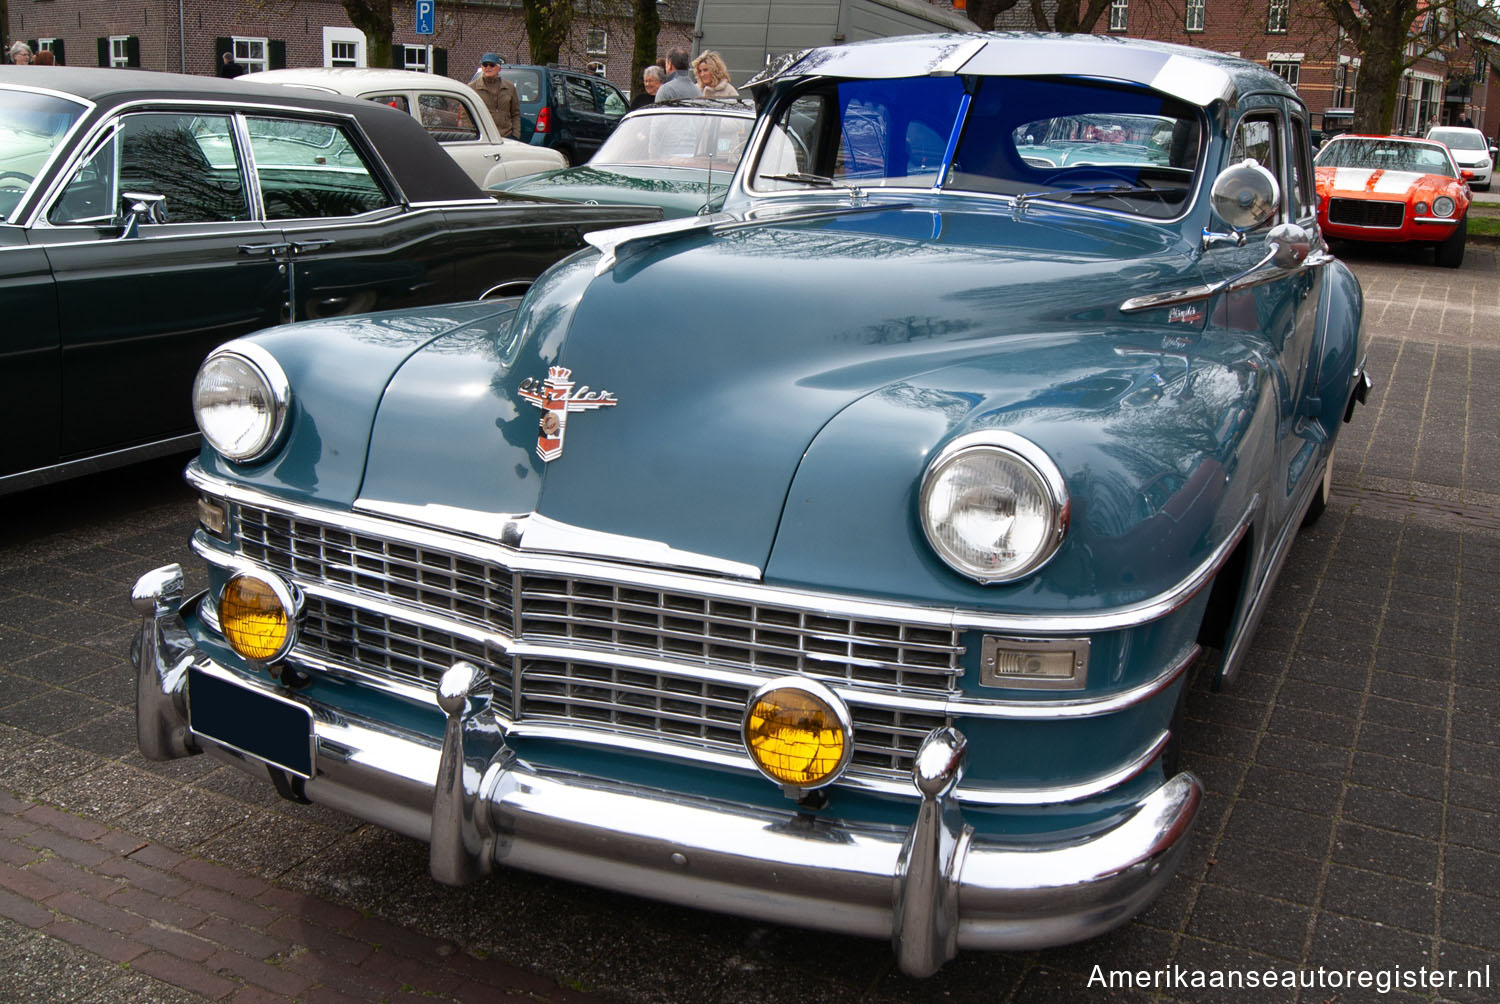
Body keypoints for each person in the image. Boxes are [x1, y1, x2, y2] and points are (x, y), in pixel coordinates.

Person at [470, 52, 521, 139]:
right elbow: (465, 115)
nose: (488, 68)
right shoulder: (472, 87)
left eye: (492, 65)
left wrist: (515, 135)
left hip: (506, 136)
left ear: (499, 68)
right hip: (483, 137)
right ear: (482, 67)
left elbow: (515, 113)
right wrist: (473, 135)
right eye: (485, 65)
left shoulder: (509, 87)